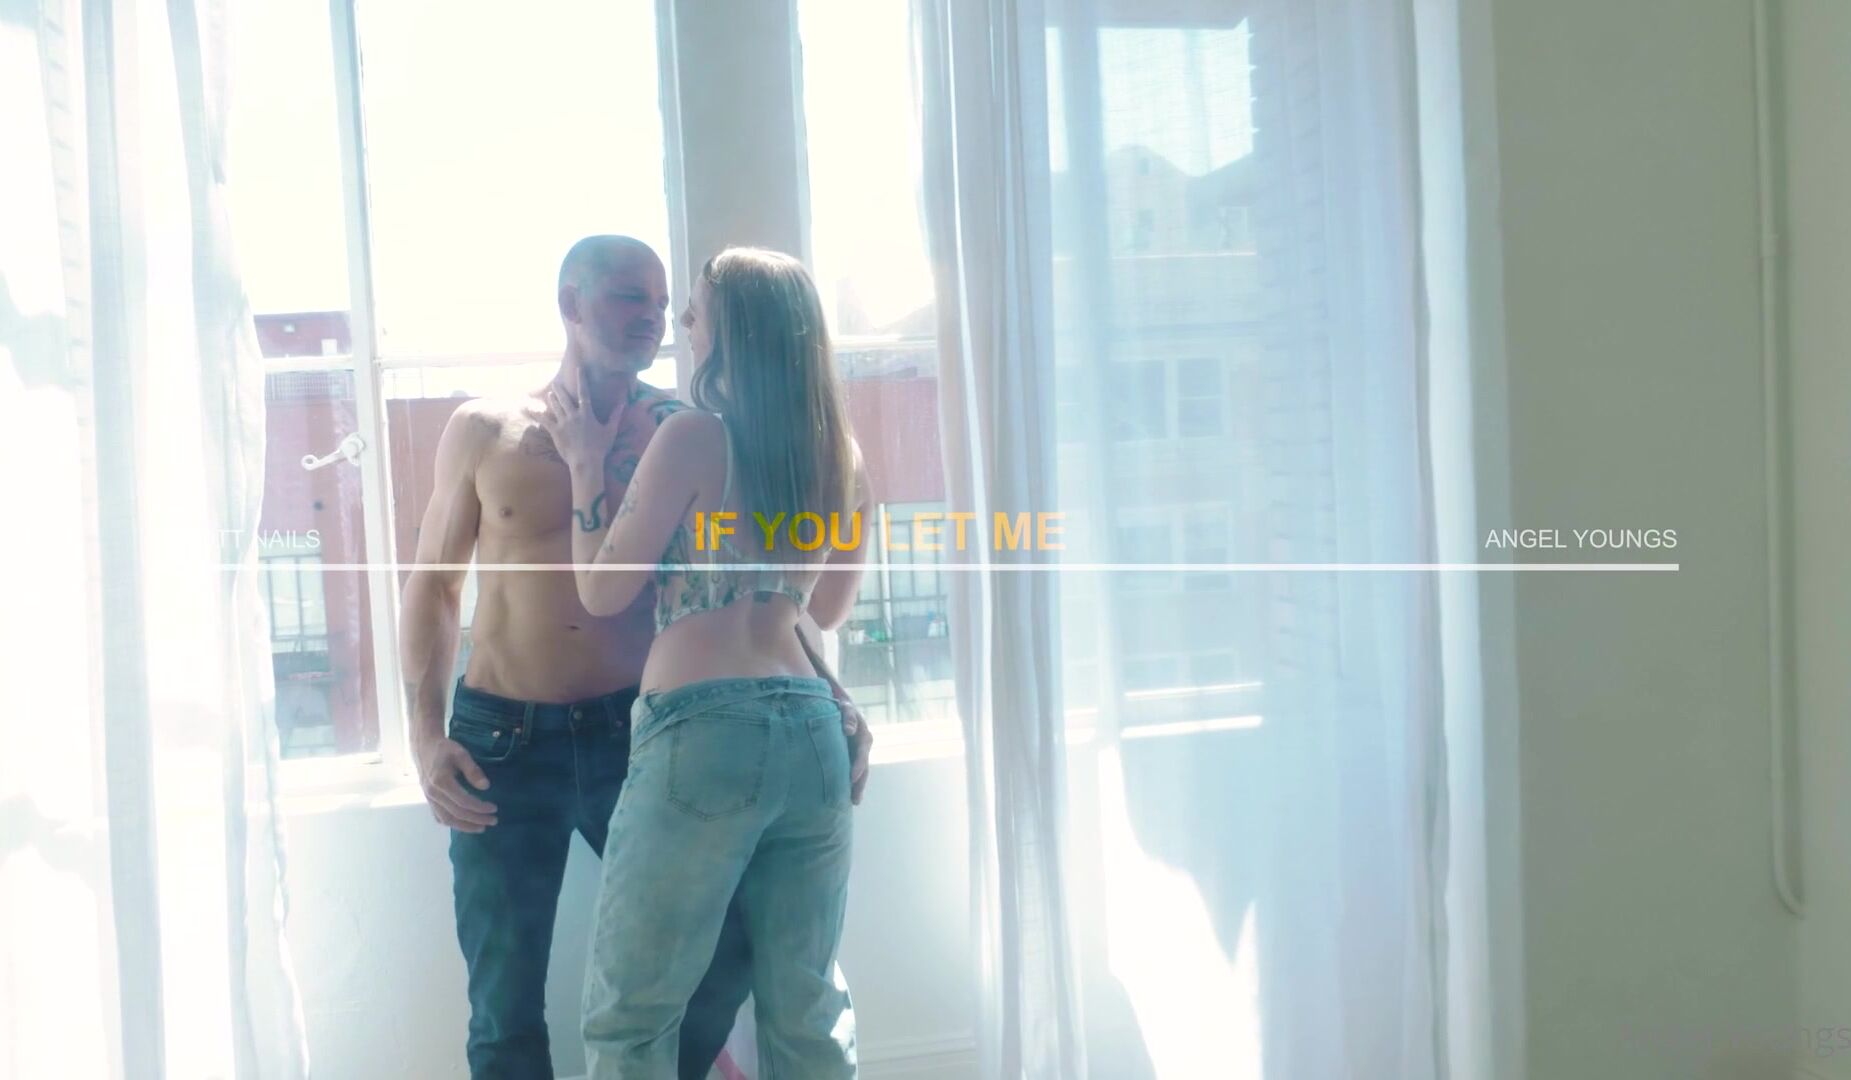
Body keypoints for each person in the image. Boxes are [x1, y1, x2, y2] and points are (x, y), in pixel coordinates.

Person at [399, 235, 871, 1079]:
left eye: (664, 302)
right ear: (570, 304)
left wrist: (832, 689)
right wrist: (425, 738)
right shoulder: (485, 429)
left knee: (719, 965)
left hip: (644, 727)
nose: (654, 317)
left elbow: (763, 591)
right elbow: (433, 586)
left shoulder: (689, 432)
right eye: (629, 296)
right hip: (503, 736)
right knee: (503, 1002)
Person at [540, 247, 869, 1078]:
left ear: (736, 328)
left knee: (632, 1010)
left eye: (694, 309)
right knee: (806, 1007)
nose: (681, 323)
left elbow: (602, 589)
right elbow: (826, 610)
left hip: (702, 729)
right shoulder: (841, 455)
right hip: (811, 732)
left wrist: (584, 467)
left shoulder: (692, 436)